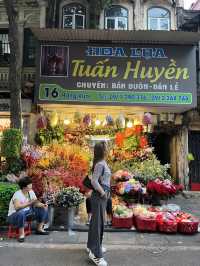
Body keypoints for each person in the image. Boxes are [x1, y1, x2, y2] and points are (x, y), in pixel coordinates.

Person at [87, 142, 111, 266]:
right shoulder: (100, 164)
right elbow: (94, 181)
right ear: (102, 151)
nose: (108, 149)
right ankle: (96, 255)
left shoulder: (101, 162)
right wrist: (102, 193)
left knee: (96, 223)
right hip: (99, 196)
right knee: (98, 224)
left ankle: (93, 247)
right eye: (106, 148)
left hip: (101, 195)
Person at [7, 176, 49, 242]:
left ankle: (39, 229)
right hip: (14, 216)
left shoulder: (31, 192)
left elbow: (35, 203)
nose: (31, 185)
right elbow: (17, 207)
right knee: (21, 212)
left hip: (27, 214)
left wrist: (43, 205)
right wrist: (29, 203)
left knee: (43, 209)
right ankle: (21, 234)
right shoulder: (17, 194)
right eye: (30, 184)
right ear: (24, 186)